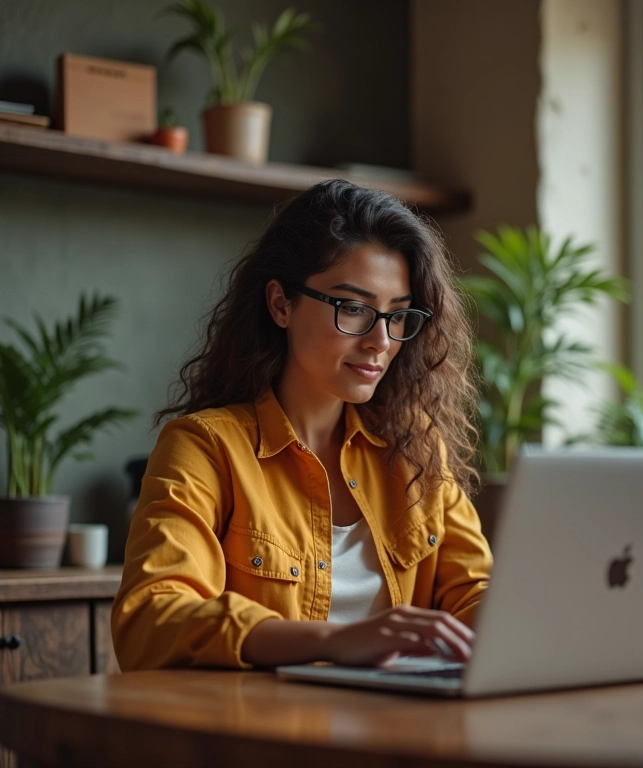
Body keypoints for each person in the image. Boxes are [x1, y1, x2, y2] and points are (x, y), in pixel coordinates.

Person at [111, 179, 493, 671]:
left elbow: (473, 593)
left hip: (402, 730)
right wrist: (333, 640)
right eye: (353, 308)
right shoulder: (205, 448)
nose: (381, 341)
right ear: (281, 304)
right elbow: (152, 617)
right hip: (268, 734)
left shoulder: (416, 450)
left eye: (398, 316)